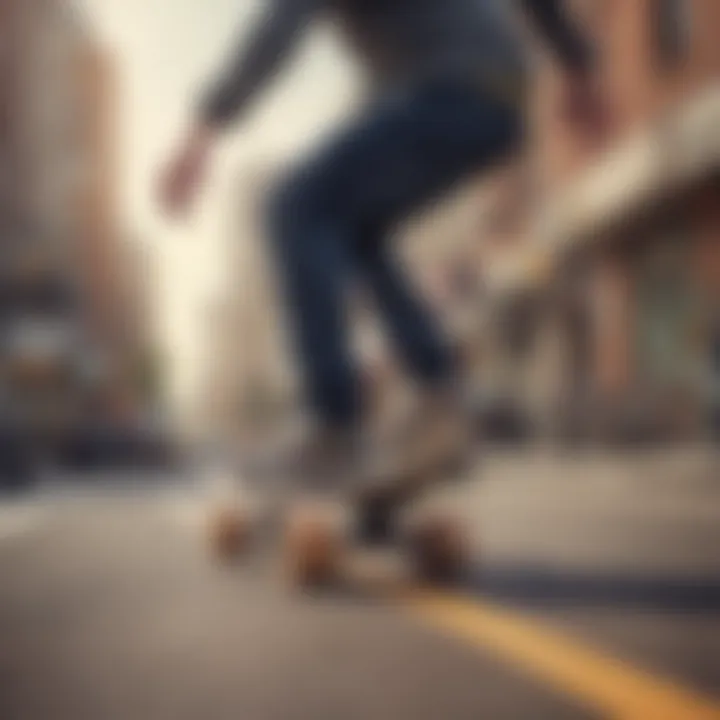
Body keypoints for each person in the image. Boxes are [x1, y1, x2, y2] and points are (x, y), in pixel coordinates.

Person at [159, 0, 606, 494]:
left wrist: (201, 133)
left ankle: (334, 429)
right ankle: (438, 397)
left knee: (294, 205)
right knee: (357, 229)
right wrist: (576, 63)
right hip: (497, 97)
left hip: (449, 89)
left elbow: (277, 29)